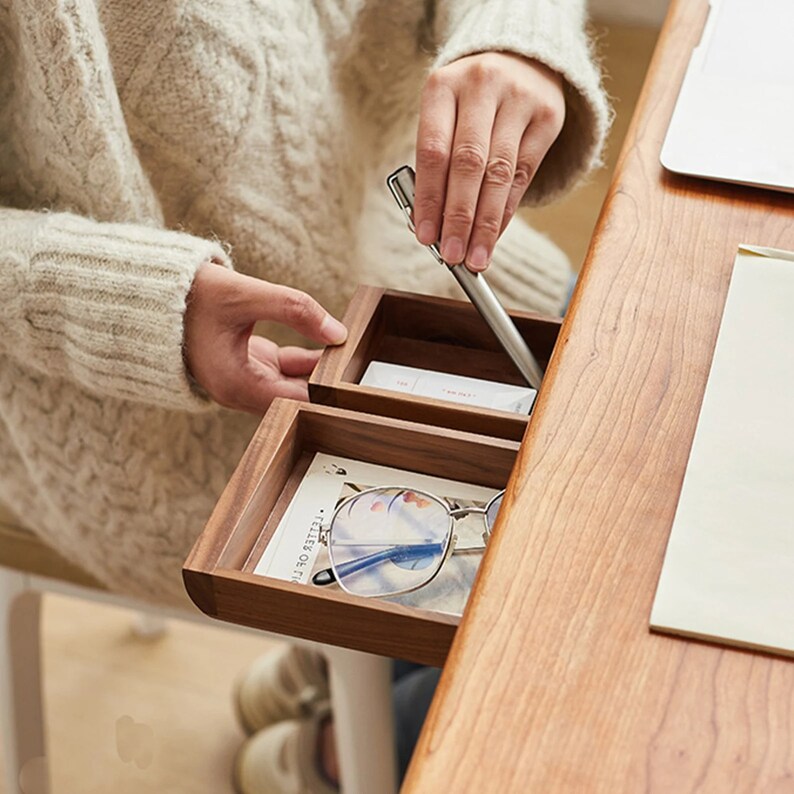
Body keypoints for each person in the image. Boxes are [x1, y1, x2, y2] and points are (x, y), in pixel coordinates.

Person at [0, 0, 609, 790]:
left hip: (416, 265)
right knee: (585, 595)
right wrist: (152, 307)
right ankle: (341, 751)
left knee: (631, 444)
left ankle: (338, 684)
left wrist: (521, 39)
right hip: (151, 406)